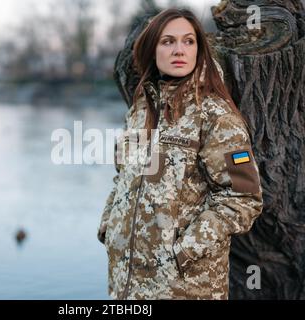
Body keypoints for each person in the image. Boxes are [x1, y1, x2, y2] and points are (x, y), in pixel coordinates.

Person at [97, 8, 263, 300]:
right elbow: (122, 177)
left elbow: (244, 198)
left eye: (188, 41)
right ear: (152, 50)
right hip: (126, 282)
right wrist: (108, 226)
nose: (179, 50)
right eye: (168, 41)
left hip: (184, 287)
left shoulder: (214, 115)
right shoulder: (139, 111)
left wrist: (185, 250)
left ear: (199, 50)